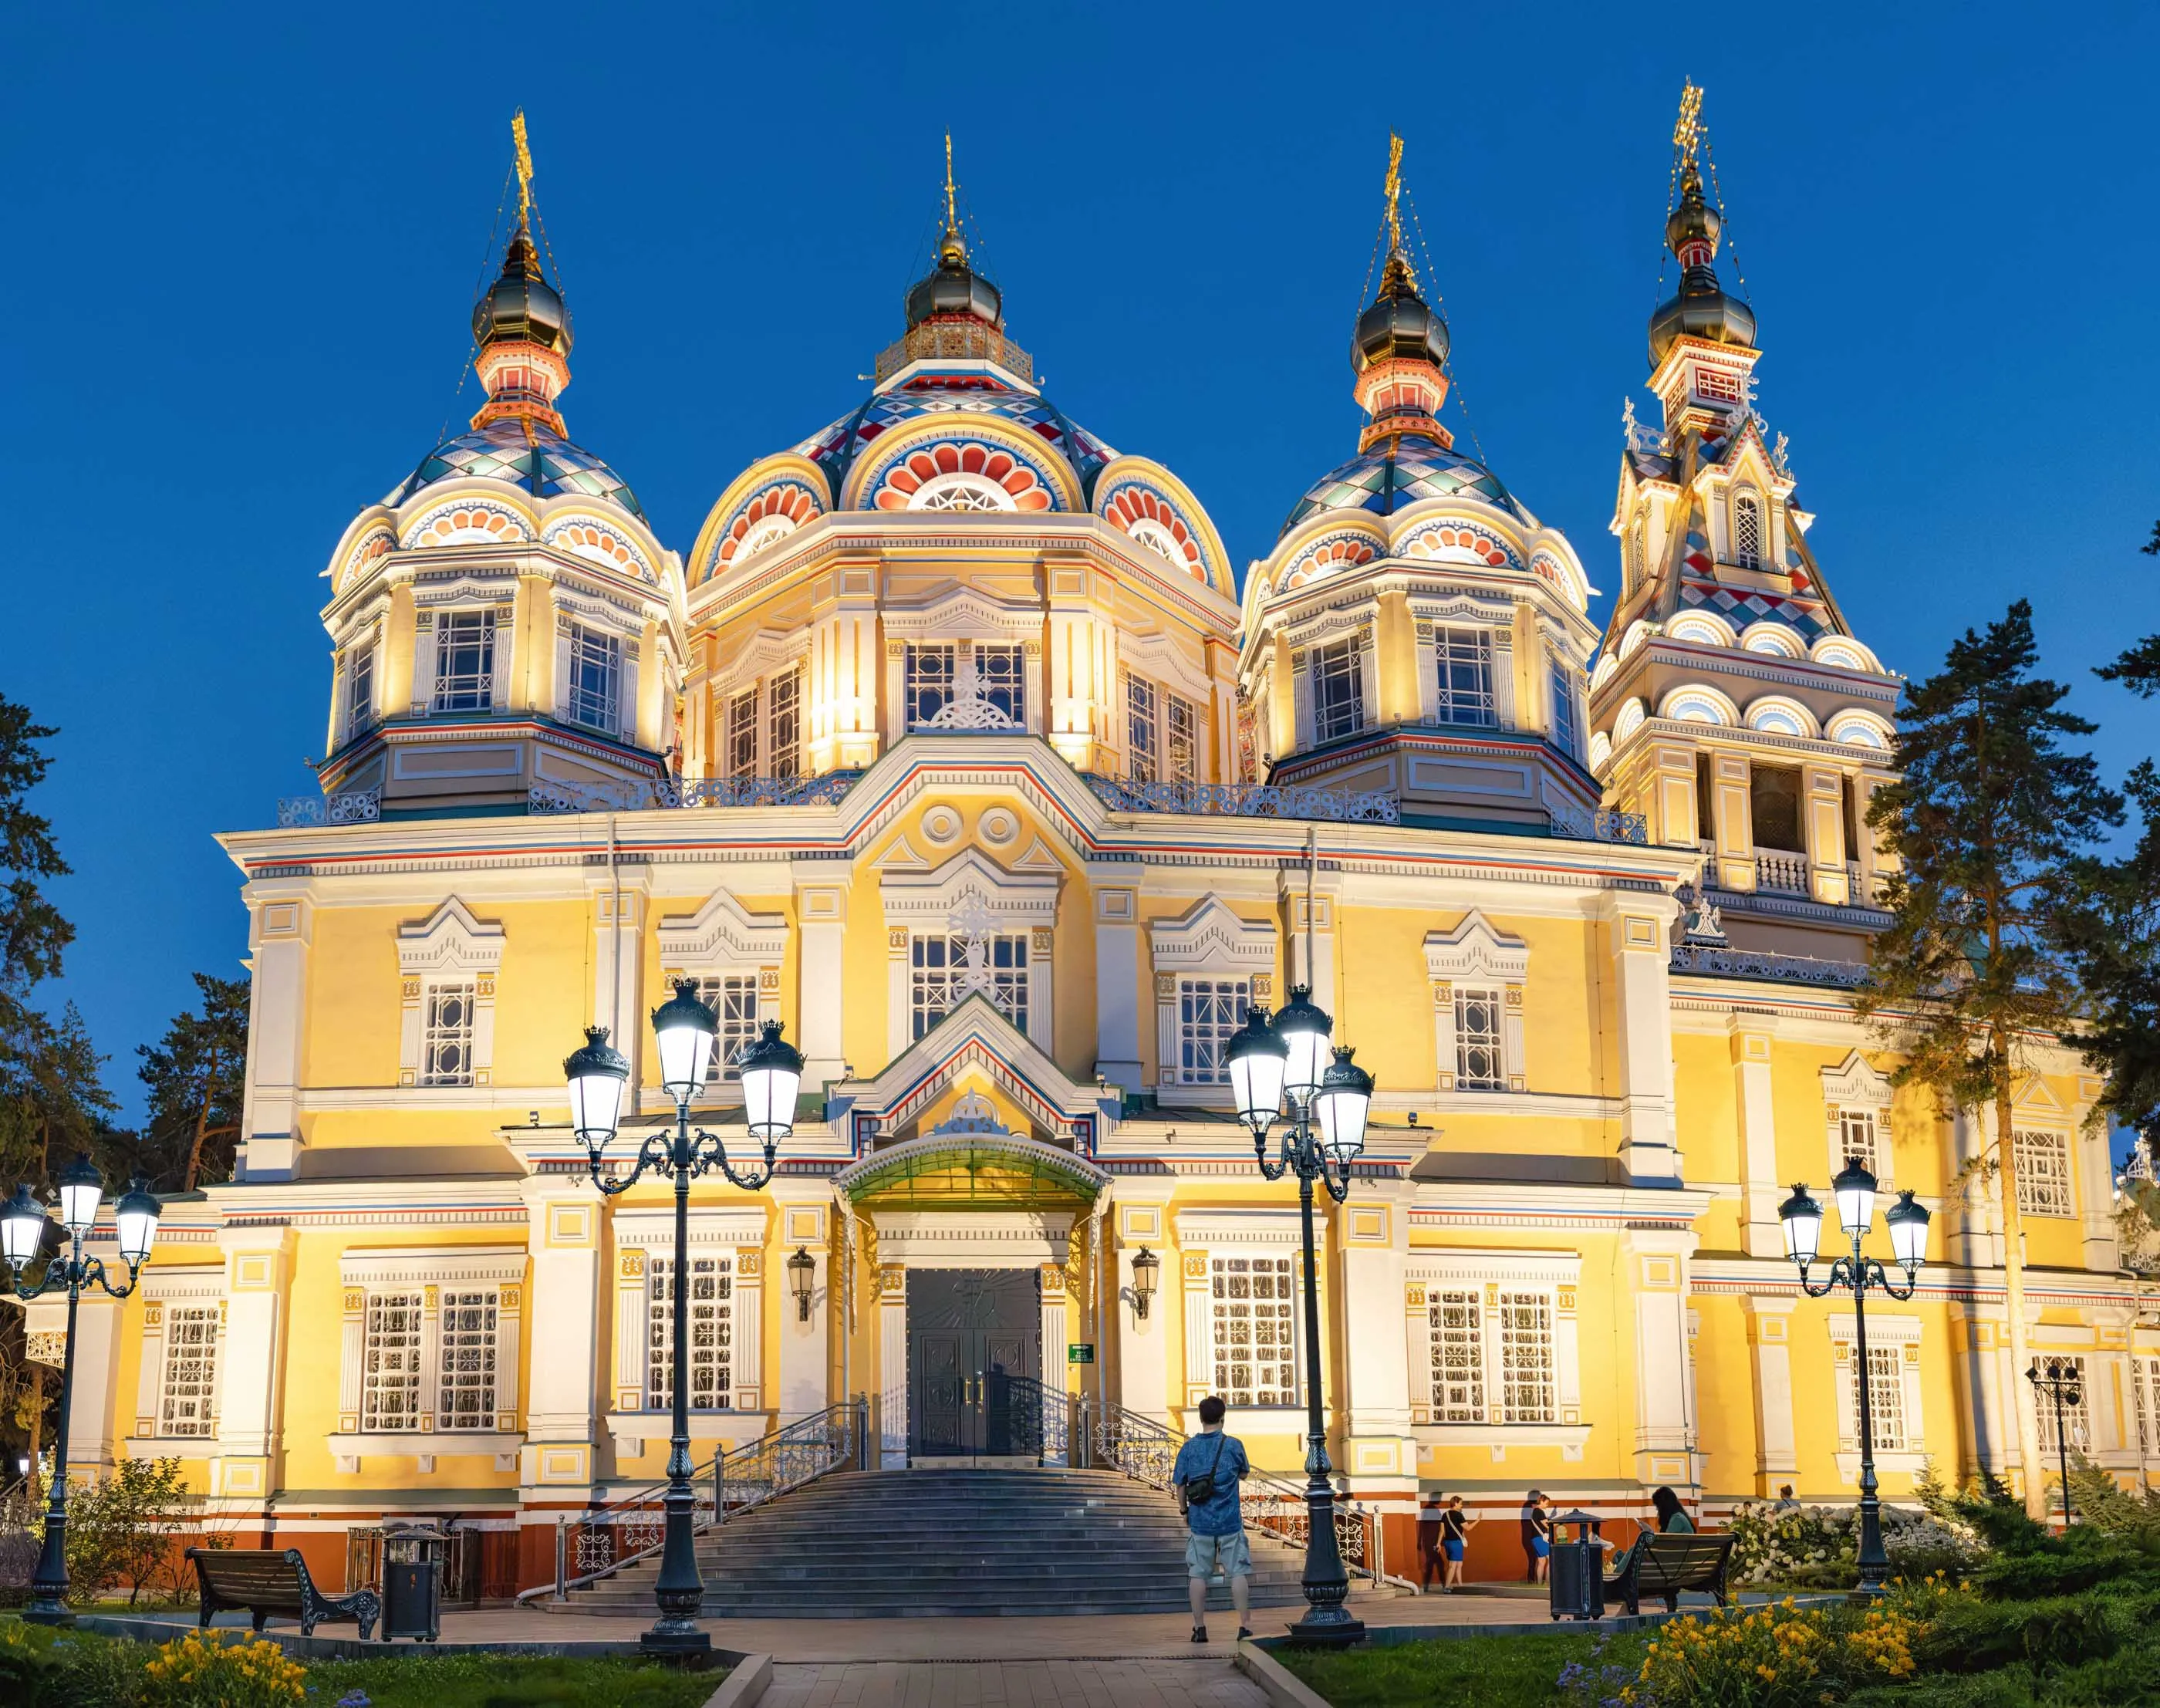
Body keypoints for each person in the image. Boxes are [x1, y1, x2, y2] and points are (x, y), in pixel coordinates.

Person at [1172, 1395, 1251, 1644]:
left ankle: (1199, 1628)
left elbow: (1180, 1486)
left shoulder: (1188, 1448)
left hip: (1200, 1523)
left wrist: (1184, 1512)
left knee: (1198, 1574)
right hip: (1230, 1521)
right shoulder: (1233, 1445)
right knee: (1237, 1572)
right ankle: (1244, 1626)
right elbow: (1244, 1473)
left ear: (1200, 1418)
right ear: (1223, 1417)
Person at [1609, 1486, 1695, 1611]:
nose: (1658, 1512)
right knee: (1634, 1551)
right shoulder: (1681, 1518)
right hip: (1674, 1567)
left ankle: (1618, 1575)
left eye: (1658, 1507)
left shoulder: (1677, 1519)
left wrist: (1649, 1535)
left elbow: (1663, 1547)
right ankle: (1621, 1565)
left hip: (1670, 1571)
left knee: (1636, 1548)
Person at [1440, 1494, 1478, 1592]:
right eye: (1461, 1504)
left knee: (1459, 1564)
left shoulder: (1445, 1515)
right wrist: (1478, 1520)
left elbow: (1442, 1531)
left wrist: (1438, 1543)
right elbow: (1468, 1528)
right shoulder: (1459, 1515)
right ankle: (1447, 1587)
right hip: (1456, 1543)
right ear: (1456, 1503)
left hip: (1447, 1542)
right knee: (1453, 1565)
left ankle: (1460, 1585)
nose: (1461, 1506)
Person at [1416, 1493, 1446, 1591]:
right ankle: (1445, 1585)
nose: (1440, 1500)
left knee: (1431, 1563)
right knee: (1438, 1564)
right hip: (1432, 1542)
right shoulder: (1432, 1510)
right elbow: (1439, 1527)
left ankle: (1427, 1585)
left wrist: (1420, 1541)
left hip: (1428, 1541)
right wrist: (1440, 1541)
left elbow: (1422, 1526)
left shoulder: (1427, 1510)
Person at [1526, 1489, 1553, 1585]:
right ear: (1541, 1501)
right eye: (1547, 1503)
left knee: (1541, 1562)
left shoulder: (1534, 1511)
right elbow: (1547, 1525)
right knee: (1551, 1559)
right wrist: (1559, 1523)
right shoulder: (1539, 1511)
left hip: (1535, 1538)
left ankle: (1540, 1583)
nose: (1547, 1505)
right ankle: (1548, 1582)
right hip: (1540, 1538)